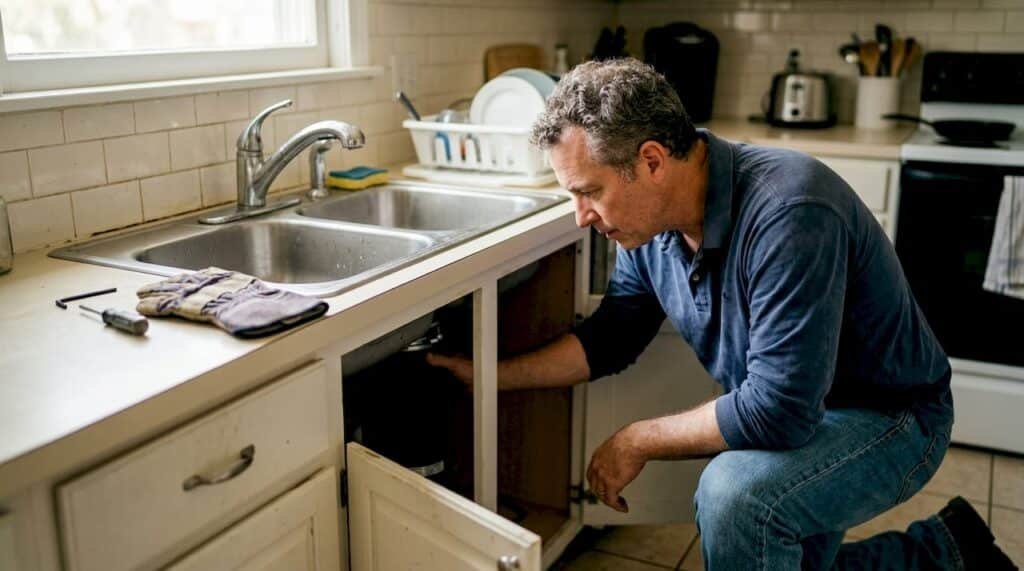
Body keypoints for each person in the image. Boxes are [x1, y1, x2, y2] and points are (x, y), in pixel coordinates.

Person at [428, 58, 1017, 570]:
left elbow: (780, 413)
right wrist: (489, 377)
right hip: (812, 409)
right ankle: (948, 551)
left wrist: (638, 439)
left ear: (652, 161)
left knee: (735, 497)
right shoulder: (652, 228)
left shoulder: (790, 211)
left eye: (590, 192)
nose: (582, 216)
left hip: (892, 417)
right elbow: (610, 339)